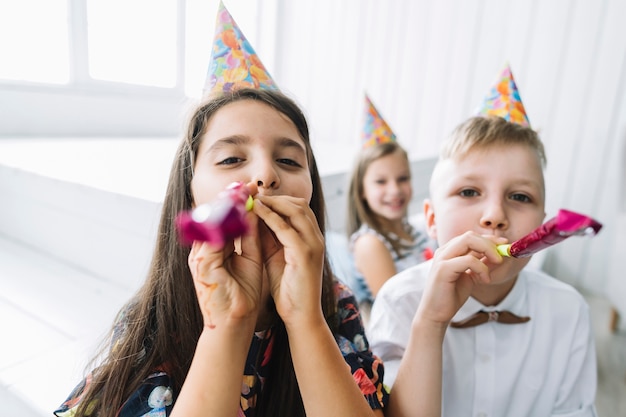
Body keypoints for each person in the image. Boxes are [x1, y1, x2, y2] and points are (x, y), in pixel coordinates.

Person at [368, 65, 598, 417]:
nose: (494, 215)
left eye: (520, 197)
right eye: (469, 191)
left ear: (542, 222)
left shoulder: (569, 311)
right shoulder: (401, 301)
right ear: (431, 219)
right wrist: (429, 322)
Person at [346, 95, 434, 314]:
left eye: (403, 178)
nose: (395, 190)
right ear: (362, 191)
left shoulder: (414, 232)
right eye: (381, 181)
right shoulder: (370, 243)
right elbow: (397, 308)